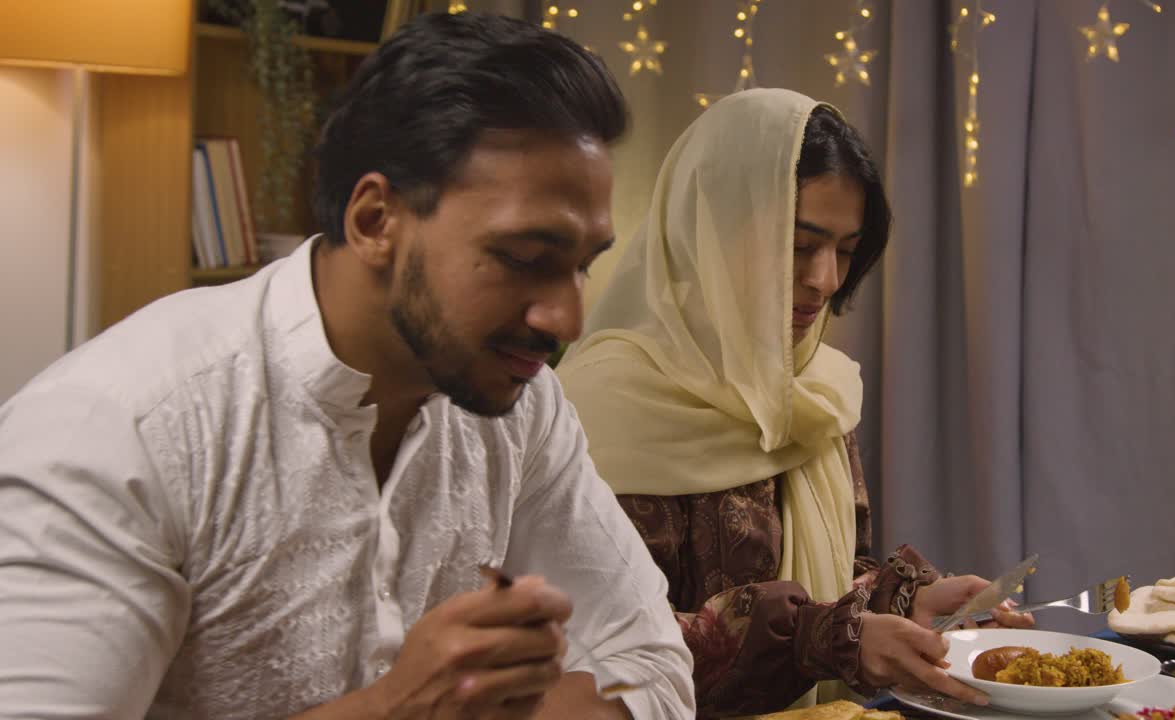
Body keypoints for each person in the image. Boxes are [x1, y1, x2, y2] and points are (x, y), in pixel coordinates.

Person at [0, 13, 694, 720]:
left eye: (582, 267)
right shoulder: (126, 428)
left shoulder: (521, 405)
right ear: (373, 221)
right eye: (522, 258)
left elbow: (654, 666)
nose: (567, 322)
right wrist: (398, 708)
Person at [557, 88, 1031, 717]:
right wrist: (826, 639)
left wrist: (905, 605)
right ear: (708, 233)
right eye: (800, 245)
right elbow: (599, 650)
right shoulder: (598, 407)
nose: (827, 280)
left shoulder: (815, 391)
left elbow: (835, 574)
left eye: (845, 249)